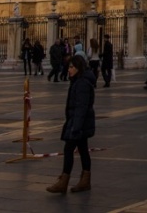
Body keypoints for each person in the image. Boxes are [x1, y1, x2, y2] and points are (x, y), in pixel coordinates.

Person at [46, 54, 96, 195]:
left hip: (78, 123)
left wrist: (76, 127)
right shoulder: (79, 81)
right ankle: (85, 180)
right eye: (69, 67)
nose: (69, 70)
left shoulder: (82, 84)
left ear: (79, 68)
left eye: (72, 67)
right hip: (79, 122)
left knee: (68, 150)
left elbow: (81, 107)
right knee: (83, 150)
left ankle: (64, 181)